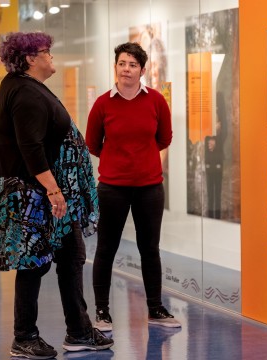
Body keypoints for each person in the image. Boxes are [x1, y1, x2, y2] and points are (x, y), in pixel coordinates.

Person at [0, 31, 113, 359]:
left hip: (45, 194)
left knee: (71, 256)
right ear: (31, 58)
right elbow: (30, 147)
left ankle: (80, 330)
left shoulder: (25, 88)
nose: (51, 57)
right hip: (33, 194)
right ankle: (24, 337)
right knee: (32, 264)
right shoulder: (24, 92)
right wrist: (54, 190)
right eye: (47, 52)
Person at [86, 42, 181, 332]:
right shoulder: (103, 103)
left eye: (132, 65)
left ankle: (155, 308)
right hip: (112, 188)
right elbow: (92, 143)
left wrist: (140, 157)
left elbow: (164, 137)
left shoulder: (155, 101)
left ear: (142, 69)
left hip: (150, 187)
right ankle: (102, 312)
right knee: (106, 249)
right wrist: (119, 160)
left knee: (149, 249)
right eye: (122, 63)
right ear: (115, 66)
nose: (126, 69)